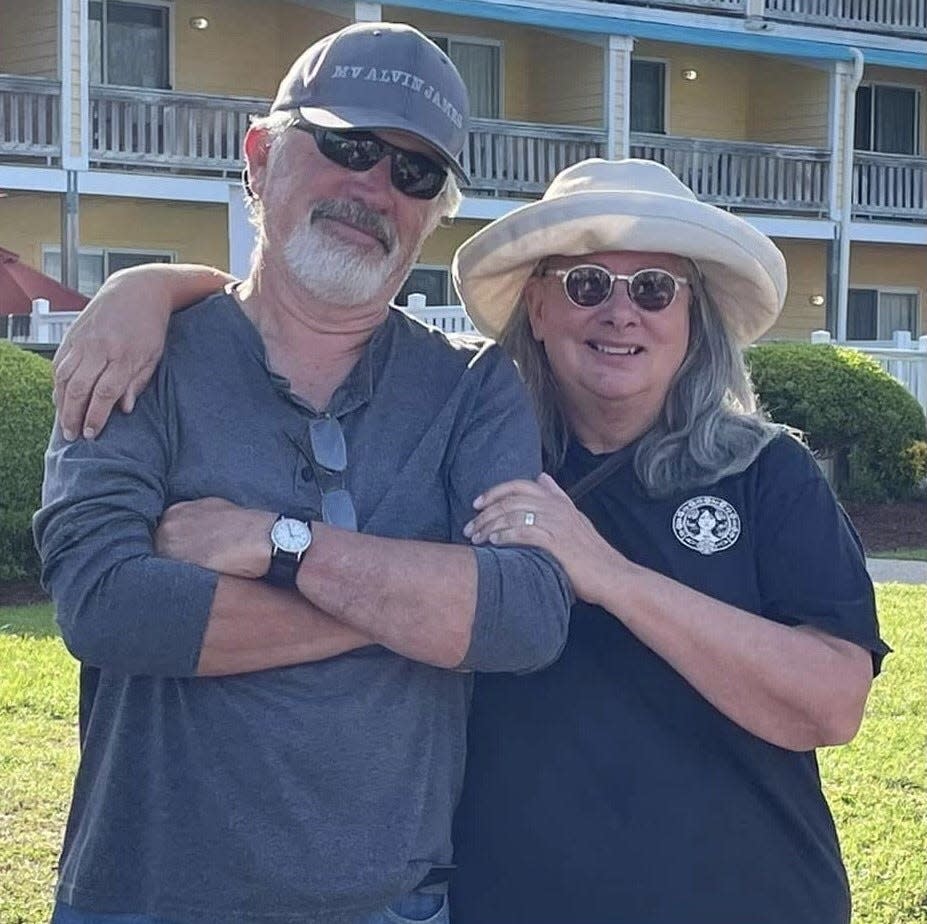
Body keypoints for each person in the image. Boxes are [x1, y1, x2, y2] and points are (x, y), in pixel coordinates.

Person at [51, 157, 888, 923]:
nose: (619, 313)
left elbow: (829, 702)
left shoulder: (764, 470)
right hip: (509, 899)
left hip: (743, 897)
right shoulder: (477, 443)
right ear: (536, 302)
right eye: (587, 284)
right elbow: (292, 294)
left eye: (656, 290)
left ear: (693, 317)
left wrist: (607, 575)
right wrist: (149, 287)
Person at [35, 22, 571, 924]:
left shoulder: (476, 387)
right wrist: (416, 606)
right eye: (348, 146)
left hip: (392, 905)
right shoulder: (139, 355)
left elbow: (523, 619)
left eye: (415, 172)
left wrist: (274, 544)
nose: (374, 189)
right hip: (148, 895)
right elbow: (110, 608)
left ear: (438, 211)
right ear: (259, 156)